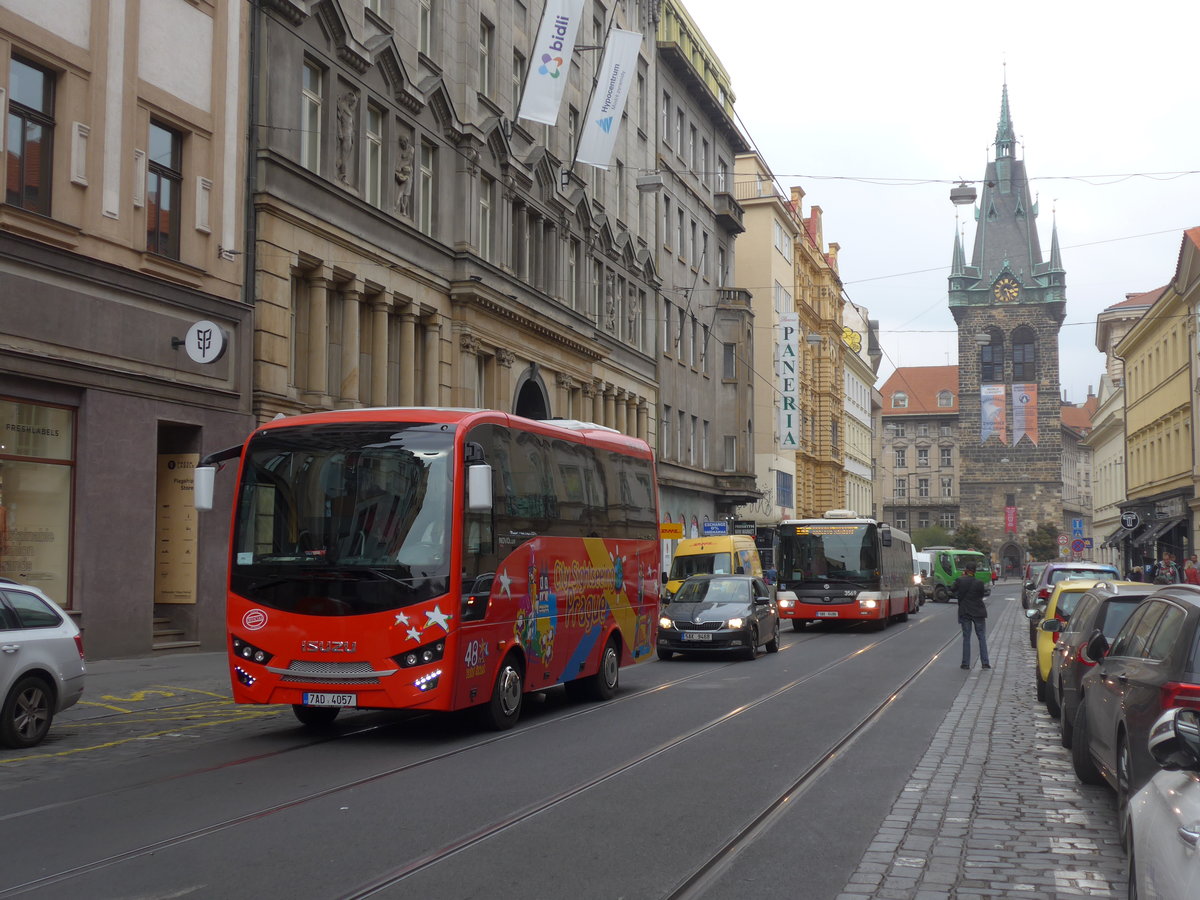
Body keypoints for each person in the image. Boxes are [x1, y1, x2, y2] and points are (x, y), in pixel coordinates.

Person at [953, 562, 990, 670]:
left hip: (965, 611)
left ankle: (965, 663)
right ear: (975, 571)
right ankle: (985, 662)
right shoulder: (979, 583)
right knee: (982, 637)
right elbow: (981, 595)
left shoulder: (960, 580)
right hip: (978, 612)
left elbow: (952, 589)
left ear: (966, 570)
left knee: (966, 637)